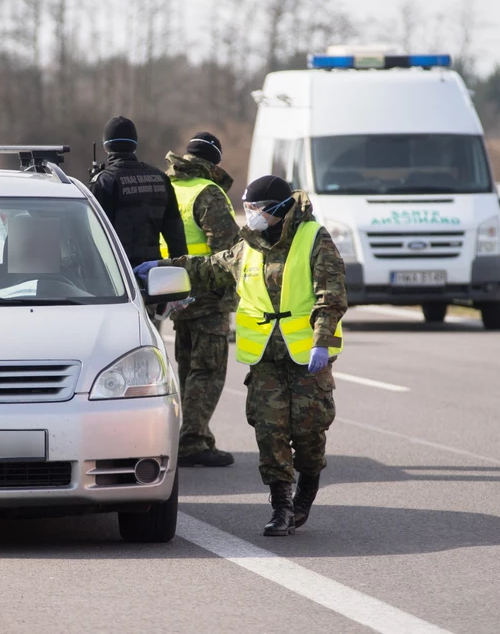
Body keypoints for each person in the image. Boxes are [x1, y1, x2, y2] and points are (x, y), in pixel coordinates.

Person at [135, 175, 346, 536]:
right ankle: (281, 506)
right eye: (246, 209)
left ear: (278, 209)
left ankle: (307, 486)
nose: (249, 216)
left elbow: (331, 294)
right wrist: (164, 266)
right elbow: (210, 267)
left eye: (255, 209)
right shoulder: (246, 246)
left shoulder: (314, 239)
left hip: (306, 354)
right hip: (264, 357)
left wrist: (321, 342)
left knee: (309, 435)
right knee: (270, 431)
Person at [160, 132, 240, 468]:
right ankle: (192, 441)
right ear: (214, 162)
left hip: (171, 288)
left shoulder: (169, 186)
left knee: (188, 367)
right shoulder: (209, 193)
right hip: (207, 291)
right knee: (207, 371)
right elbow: (229, 252)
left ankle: (197, 434)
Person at [89, 116, 188, 268]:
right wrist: (180, 273)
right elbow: (176, 235)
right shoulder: (160, 178)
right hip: (154, 274)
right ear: (135, 145)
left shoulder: (105, 181)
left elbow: (92, 237)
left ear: (106, 147)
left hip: (118, 276)